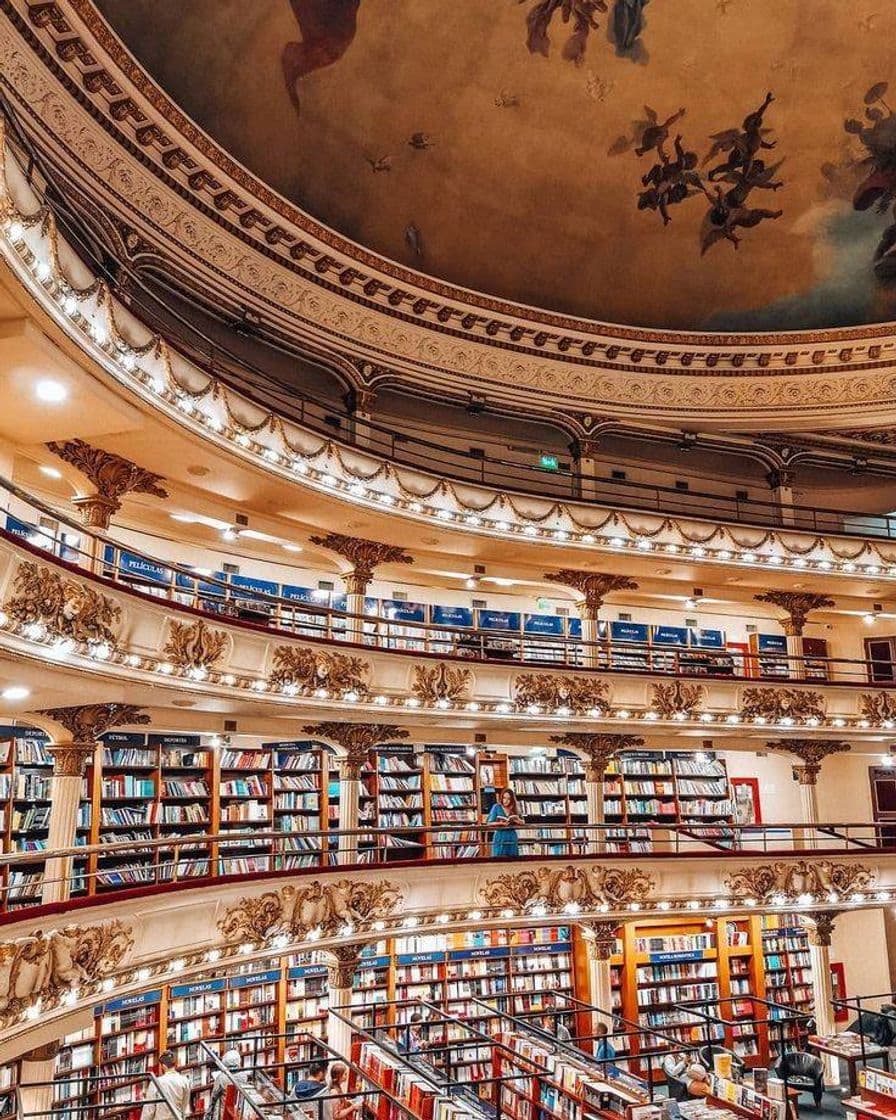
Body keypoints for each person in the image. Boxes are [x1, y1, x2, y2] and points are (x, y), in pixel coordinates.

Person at [142, 1050, 191, 1120]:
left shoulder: (156, 1082)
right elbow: (184, 1107)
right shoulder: (185, 1081)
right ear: (175, 1064)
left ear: (163, 1066)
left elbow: (149, 1110)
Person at [208, 1050, 249, 1120]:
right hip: (238, 1111)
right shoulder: (244, 1076)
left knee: (217, 1099)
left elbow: (213, 1099)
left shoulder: (221, 1078)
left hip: (223, 1113)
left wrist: (207, 1116)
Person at [487, 788, 524, 857]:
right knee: (499, 857)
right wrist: (501, 823)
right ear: (501, 798)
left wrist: (517, 820)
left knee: (513, 858)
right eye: (504, 798)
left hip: (512, 835)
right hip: (500, 835)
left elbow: (523, 822)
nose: (506, 801)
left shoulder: (515, 808)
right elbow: (489, 823)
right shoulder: (496, 807)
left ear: (512, 800)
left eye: (508, 799)